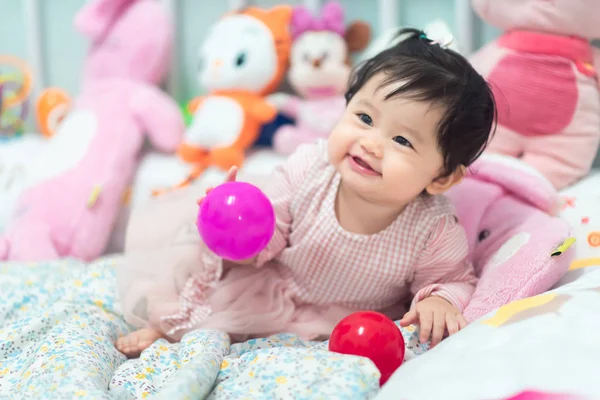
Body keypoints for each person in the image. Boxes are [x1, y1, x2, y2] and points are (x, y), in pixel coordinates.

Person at [116, 28, 496, 358]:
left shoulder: (432, 227)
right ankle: (167, 330)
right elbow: (268, 241)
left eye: (401, 140)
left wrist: (439, 300)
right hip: (270, 284)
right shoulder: (309, 170)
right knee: (206, 289)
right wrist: (239, 233)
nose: (371, 144)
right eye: (364, 118)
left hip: (345, 318)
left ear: (442, 177)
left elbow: (455, 278)